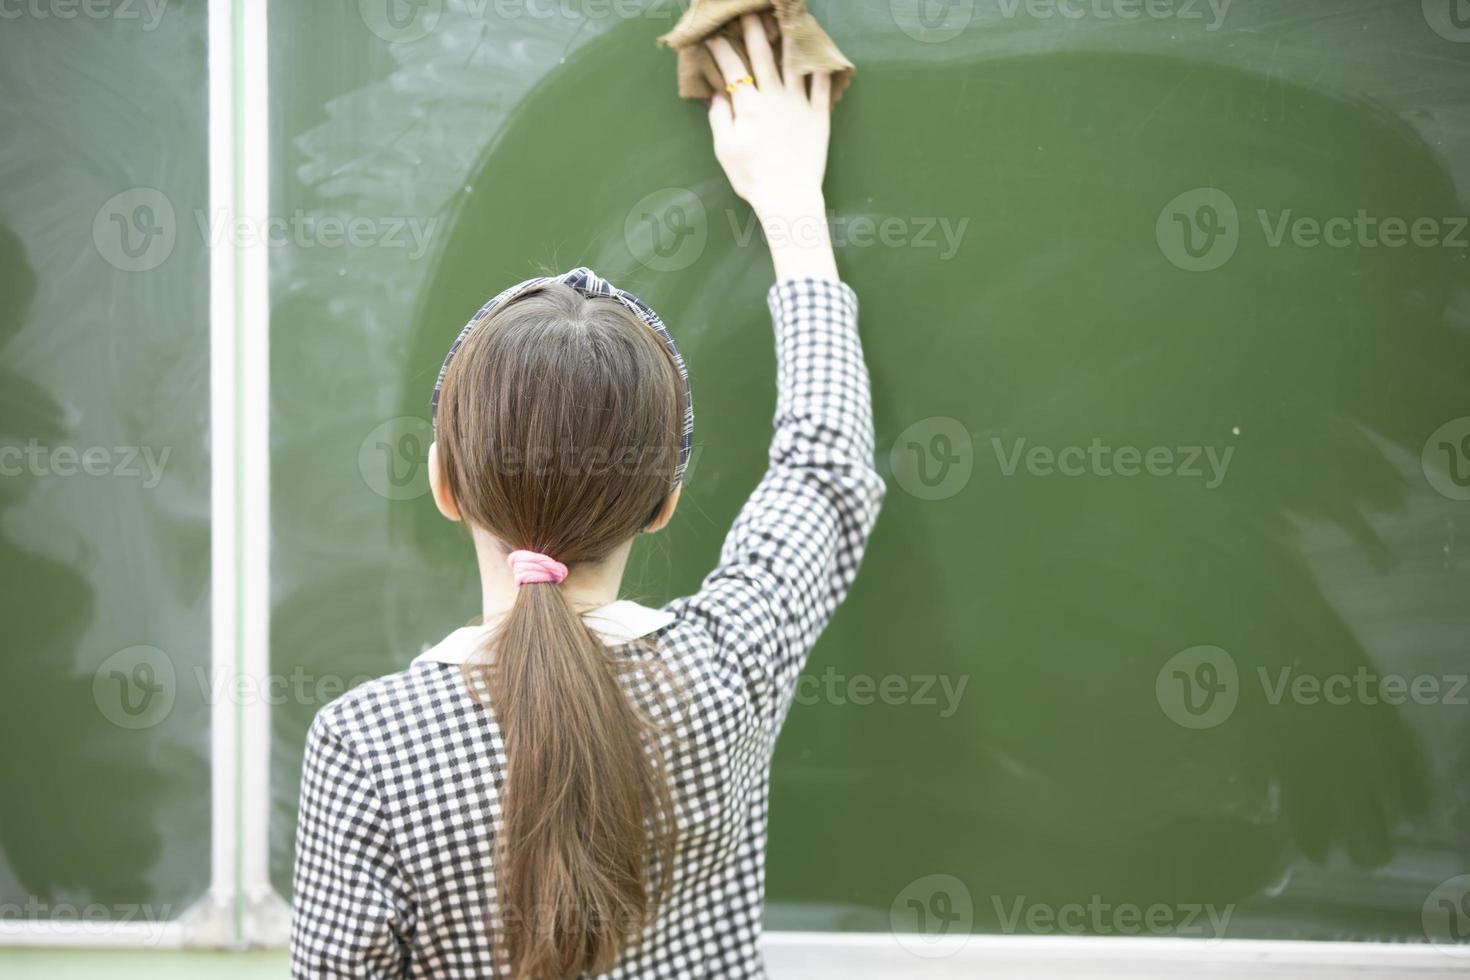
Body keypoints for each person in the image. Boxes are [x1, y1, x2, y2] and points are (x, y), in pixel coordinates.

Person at [290, 15, 883, 978]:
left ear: (445, 484)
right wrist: (791, 206)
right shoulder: (727, 668)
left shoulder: (367, 749)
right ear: (663, 501)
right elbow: (826, 466)